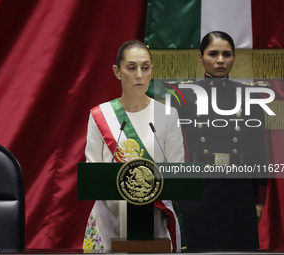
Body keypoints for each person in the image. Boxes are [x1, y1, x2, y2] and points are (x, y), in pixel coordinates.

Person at [83, 40, 184, 252]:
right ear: (117, 71)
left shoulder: (168, 115)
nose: (139, 74)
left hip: (154, 223)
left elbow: (177, 173)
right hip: (109, 222)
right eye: (131, 68)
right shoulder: (101, 116)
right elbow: (93, 174)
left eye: (145, 68)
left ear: (151, 71)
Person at [173, 31, 268, 251]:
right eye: (213, 54)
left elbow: (258, 151)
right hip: (197, 190)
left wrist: (259, 199)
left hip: (238, 191)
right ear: (200, 57)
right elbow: (173, 147)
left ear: (234, 57)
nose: (220, 60)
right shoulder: (183, 95)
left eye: (226, 54)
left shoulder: (250, 97)